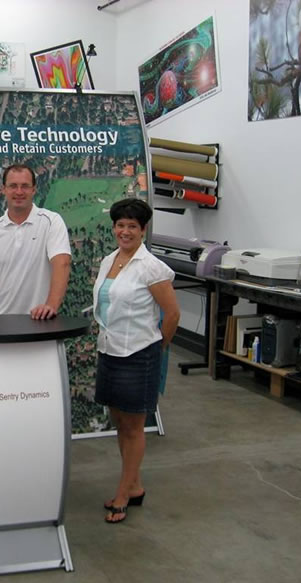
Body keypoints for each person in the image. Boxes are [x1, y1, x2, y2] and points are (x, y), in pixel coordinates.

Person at [91, 197, 180, 524]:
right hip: (110, 350)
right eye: (120, 225)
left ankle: (123, 494)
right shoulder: (109, 260)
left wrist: (157, 347)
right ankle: (135, 485)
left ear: (143, 230)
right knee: (120, 422)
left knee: (134, 427)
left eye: (132, 226)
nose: (125, 231)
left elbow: (172, 314)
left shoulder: (150, 267)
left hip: (138, 354)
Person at [0, 164, 71, 319]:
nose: (19, 192)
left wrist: (50, 306)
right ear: (3, 189)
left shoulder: (51, 222)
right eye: (13, 186)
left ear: (34, 190)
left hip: (41, 322)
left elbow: (62, 263)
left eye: (25, 186)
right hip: (2, 323)